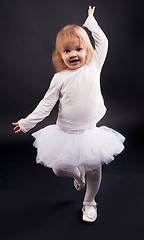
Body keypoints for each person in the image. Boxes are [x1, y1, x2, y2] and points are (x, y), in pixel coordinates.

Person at [12, 6, 125, 222]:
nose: (73, 54)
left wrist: (91, 22)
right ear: (60, 55)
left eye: (78, 49)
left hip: (90, 132)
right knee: (58, 169)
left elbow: (103, 42)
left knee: (95, 168)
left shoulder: (93, 66)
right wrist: (26, 123)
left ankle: (89, 202)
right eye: (67, 51)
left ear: (87, 51)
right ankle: (77, 174)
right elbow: (46, 105)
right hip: (65, 132)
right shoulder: (60, 79)